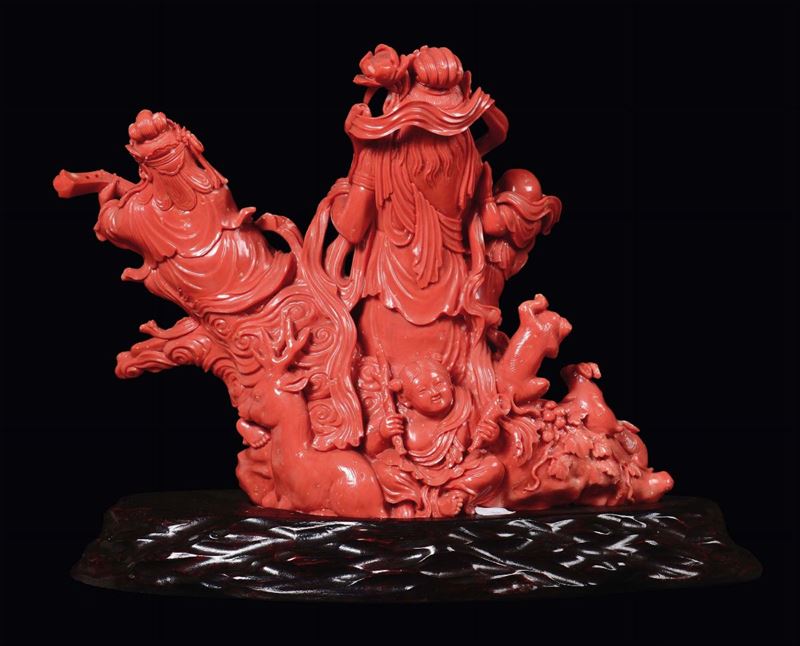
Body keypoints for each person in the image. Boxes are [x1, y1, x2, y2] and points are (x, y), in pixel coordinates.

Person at [367, 356, 505, 518]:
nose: (434, 392)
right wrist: (383, 433)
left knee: (493, 466)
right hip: (414, 472)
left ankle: (455, 496)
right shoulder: (397, 412)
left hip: (457, 472)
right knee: (383, 469)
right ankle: (422, 501)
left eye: (439, 383)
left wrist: (490, 435)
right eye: (422, 390)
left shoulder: (464, 403)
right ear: (406, 400)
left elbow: (478, 440)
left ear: (450, 383)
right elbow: (372, 450)